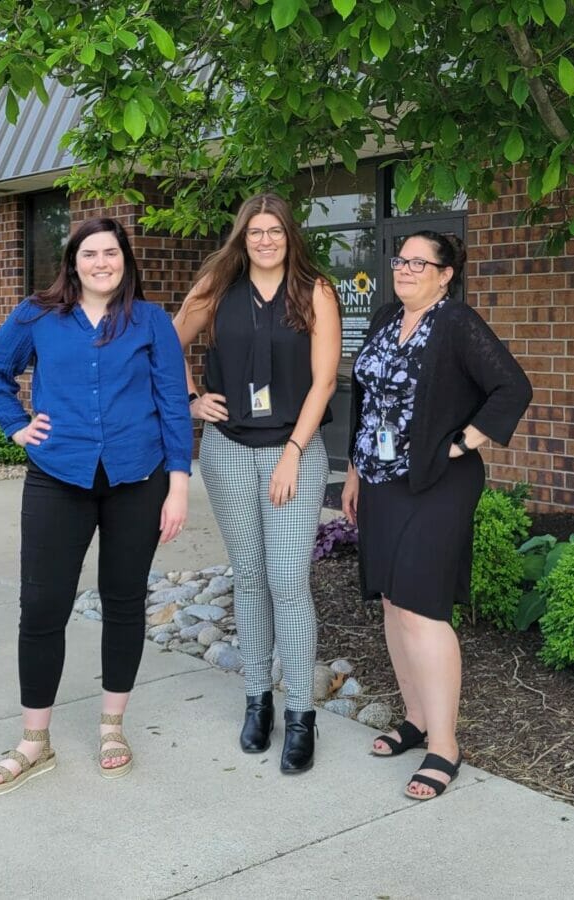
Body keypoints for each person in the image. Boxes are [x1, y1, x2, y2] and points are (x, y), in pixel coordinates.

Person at [0, 217, 192, 795]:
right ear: (73, 262)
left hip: (137, 478)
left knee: (124, 602)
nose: (101, 262)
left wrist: (178, 485)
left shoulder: (150, 321)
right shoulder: (37, 315)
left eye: (111, 253)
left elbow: (173, 403)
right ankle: (34, 741)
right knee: (43, 605)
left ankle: (112, 726)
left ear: (126, 261)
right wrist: (17, 427)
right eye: (89, 253)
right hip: (57, 475)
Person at [341, 230, 531, 800]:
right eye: (400, 260)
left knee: (422, 606)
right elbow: (366, 401)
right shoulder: (381, 318)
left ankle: (444, 745)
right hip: (379, 481)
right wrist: (353, 470)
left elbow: (512, 387)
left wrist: (462, 441)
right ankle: (417, 717)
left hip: (438, 483)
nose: (405, 269)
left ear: (445, 273)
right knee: (394, 603)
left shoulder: (455, 323)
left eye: (418, 263)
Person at [173, 192, 339, 774]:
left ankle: (300, 715)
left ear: (290, 235)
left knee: (288, 579)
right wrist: (192, 400)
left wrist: (294, 452)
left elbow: (323, 383)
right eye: (254, 232)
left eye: (274, 231)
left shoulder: (315, 292)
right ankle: (257, 702)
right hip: (227, 453)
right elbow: (167, 346)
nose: (265, 240)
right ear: (241, 238)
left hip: (293, 454)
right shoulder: (217, 290)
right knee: (249, 577)